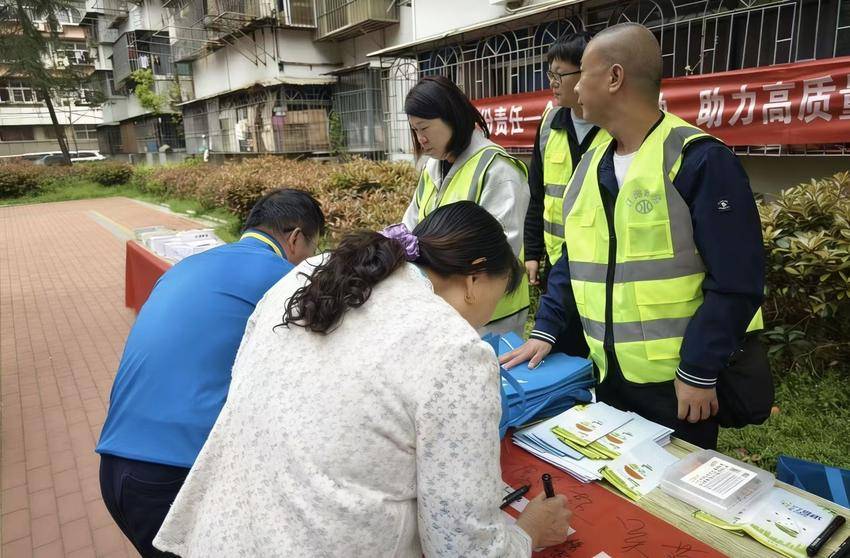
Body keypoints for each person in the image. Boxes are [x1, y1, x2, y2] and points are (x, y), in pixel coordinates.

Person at [152, 202, 573, 557]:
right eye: (497, 299)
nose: (485, 322)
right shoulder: (453, 347)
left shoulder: (314, 271)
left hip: (225, 535)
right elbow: (461, 545)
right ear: (475, 278)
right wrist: (530, 531)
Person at [500, 23, 767, 450]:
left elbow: (738, 282)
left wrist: (698, 371)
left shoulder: (699, 161)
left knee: (677, 500)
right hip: (609, 374)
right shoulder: (591, 165)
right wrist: (546, 330)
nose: (570, 86)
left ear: (614, 77)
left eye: (581, 73)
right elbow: (575, 258)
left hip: (678, 385)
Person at [96, 188, 325, 557]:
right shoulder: (284, 278)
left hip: (116, 467)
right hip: (174, 477)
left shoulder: (187, 265)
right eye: (313, 248)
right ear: (296, 238)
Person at [401, 75, 530, 336]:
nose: (420, 139)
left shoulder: (496, 169)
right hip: (447, 308)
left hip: (491, 315)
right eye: (415, 130)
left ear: (452, 118)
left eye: (424, 128)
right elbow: (409, 229)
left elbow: (502, 250)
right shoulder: (432, 167)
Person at [524, 31, 611, 358]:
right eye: (550, 74)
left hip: (601, 263)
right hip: (557, 263)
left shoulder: (613, 126)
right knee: (560, 345)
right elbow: (537, 191)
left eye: (560, 74)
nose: (553, 83)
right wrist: (532, 252)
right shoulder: (549, 123)